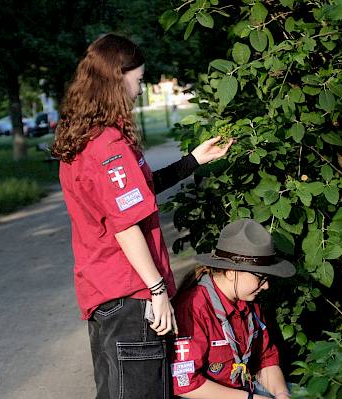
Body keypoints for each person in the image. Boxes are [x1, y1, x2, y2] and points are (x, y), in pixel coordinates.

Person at [51, 33, 233, 399]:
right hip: (133, 296)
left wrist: (193, 161)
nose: (139, 90)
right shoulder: (109, 147)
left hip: (106, 295)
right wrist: (157, 289)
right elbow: (125, 225)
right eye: (137, 81)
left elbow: (136, 194)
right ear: (117, 80)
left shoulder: (87, 138)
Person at [171, 219, 295, 399]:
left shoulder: (249, 303)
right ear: (231, 272)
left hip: (244, 389)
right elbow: (185, 384)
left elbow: (265, 358)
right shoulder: (193, 308)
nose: (266, 286)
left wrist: (281, 393)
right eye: (260, 277)